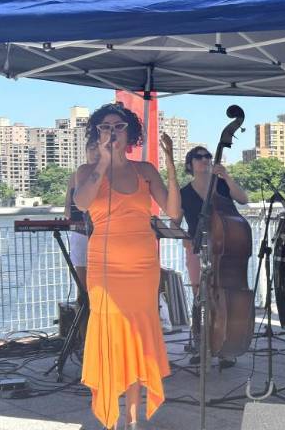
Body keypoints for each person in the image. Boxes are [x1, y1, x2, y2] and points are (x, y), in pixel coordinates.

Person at [74, 102, 181, 430]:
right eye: (105, 126)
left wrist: (171, 165)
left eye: (118, 126)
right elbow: (81, 203)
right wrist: (103, 162)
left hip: (143, 266)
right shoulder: (85, 172)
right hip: (105, 268)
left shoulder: (144, 170)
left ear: (129, 132)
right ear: (97, 132)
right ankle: (111, 415)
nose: (112, 131)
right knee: (110, 338)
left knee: (136, 337)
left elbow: (174, 212)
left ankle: (134, 418)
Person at [179, 145, 249, 368]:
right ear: (190, 164)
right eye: (198, 157)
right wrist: (184, 238)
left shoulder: (221, 185)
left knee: (222, 295)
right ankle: (201, 344)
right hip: (196, 246)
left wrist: (227, 176)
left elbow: (244, 199)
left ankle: (226, 346)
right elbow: (176, 220)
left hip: (222, 248)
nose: (204, 160)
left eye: (207, 156)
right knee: (200, 295)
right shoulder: (184, 193)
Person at [64, 144, 99, 344]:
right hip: (80, 234)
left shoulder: (108, 174)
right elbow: (68, 207)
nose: (95, 152)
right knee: (83, 289)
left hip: (103, 235)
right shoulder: (76, 175)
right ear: (86, 151)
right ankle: (84, 338)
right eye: (91, 148)